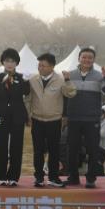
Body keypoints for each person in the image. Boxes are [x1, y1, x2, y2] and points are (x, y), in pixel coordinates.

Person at [64, 47, 105, 188]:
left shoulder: (99, 76)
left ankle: (91, 178)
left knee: (93, 149)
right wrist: (65, 116)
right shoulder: (70, 75)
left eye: (90, 58)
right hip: (74, 118)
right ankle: (73, 177)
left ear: (93, 60)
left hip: (92, 119)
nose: (87, 60)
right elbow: (65, 96)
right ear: (79, 58)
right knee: (72, 149)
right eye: (84, 57)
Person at [28, 53, 76, 188]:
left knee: (54, 150)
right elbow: (28, 99)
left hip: (54, 121)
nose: (40, 68)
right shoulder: (33, 79)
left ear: (52, 66)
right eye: (39, 65)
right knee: (38, 150)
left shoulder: (60, 80)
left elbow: (71, 93)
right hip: (37, 120)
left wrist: (68, 80)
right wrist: (28, 115)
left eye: (43, 65)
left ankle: (53, 177)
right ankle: (38, 177)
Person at [0, 48, 30, 186]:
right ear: (3, 62)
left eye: (13, 61)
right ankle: (0, 176)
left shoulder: (21, 78)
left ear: (17, 63)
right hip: (0, 116)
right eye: (7, 61)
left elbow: (26, 93)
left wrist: (27, 81)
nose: (10, 64)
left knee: (16, 146)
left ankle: (13, 176)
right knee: (0, 145)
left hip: (17, 116)